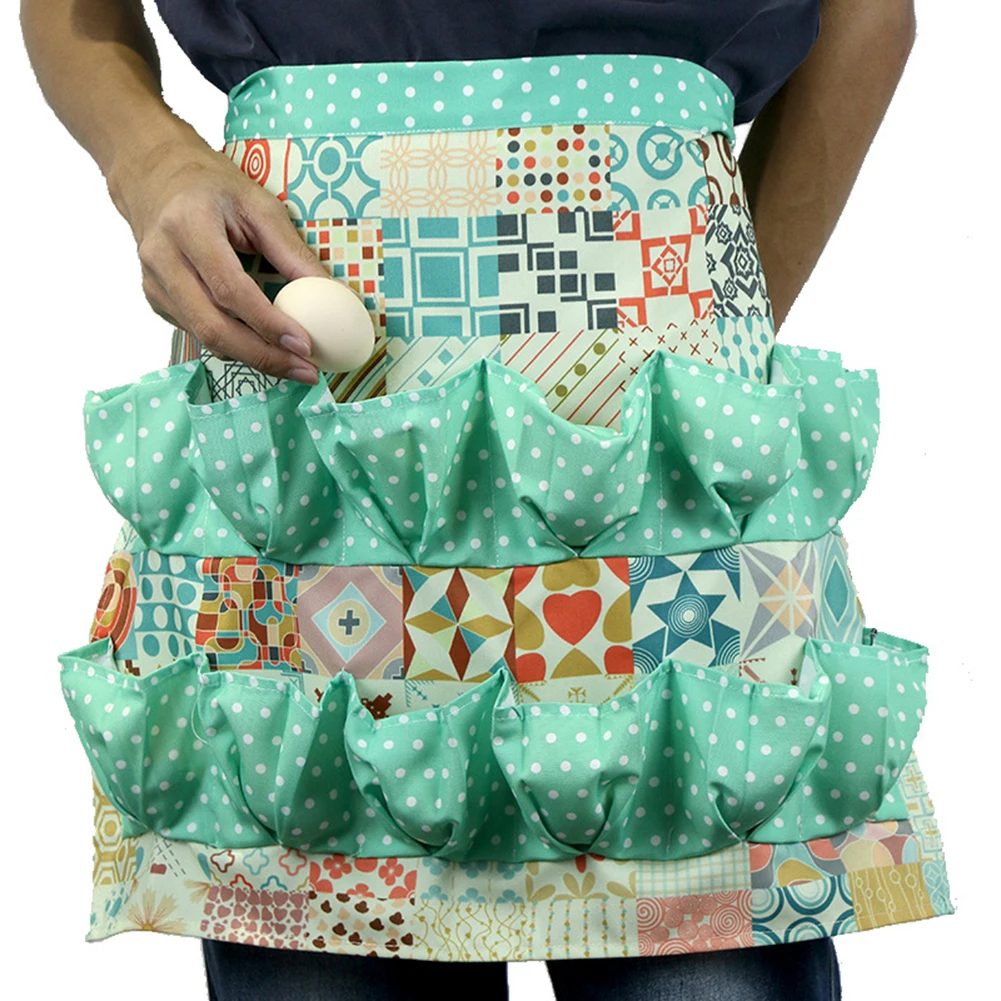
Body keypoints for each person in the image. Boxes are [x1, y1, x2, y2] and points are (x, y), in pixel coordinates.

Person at [24, 3, 952, 1000]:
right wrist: (149, 160)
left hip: (567, 404)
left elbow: (868, 16)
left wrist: (720, 319)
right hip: (337, 394)